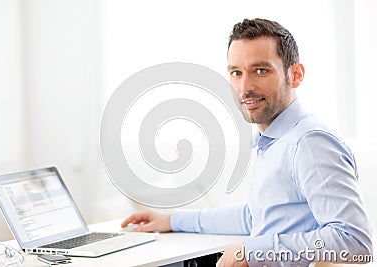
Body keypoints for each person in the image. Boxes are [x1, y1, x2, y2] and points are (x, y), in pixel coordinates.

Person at [121, 18, 373, 266]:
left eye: (260, 71)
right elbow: (256, 217)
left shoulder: (309, 143)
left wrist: (252, 252)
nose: (245, 87)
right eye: (236, 73)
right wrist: (172, 220)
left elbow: (354, 242)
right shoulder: (273, 140)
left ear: (295, 75)